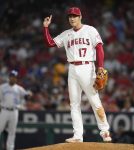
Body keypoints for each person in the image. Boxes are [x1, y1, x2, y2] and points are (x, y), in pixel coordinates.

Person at [43, 7, 112, 143]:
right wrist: (46, 28)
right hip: (72, 69)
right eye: (70, 16)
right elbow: (50, 43)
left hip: (87, 67)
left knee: (94, 100)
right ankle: (77, 135)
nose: (72, 18)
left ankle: (104, 131)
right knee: (74, 104)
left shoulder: (90, 30)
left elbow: (99, 48)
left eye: (75, 16)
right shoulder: (66, 34)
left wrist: (101, 67)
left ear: (80, 17)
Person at [0, 70, 32, 150]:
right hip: (4, 110)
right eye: (12, 77)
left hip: (14, 111)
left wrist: (29, 94)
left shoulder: (19, 88)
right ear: (9, 77)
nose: (13, 78)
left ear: (16, 79)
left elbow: (26, 96)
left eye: (14, 77)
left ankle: (10, 148)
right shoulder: (2, 87)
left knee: (12, 131)